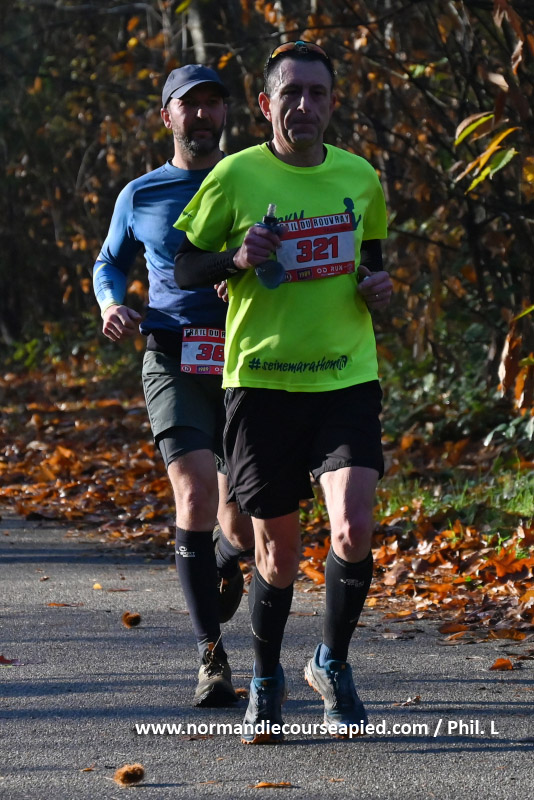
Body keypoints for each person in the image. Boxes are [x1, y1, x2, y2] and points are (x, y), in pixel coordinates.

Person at [174, 41, 393, 743]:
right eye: (291, 93)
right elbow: (184, 265)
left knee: (353, 526)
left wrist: (379, 287)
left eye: (317, 93)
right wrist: (235, 258)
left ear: (332, 103)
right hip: (262, 382)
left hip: (346, 375)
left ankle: (331, 662)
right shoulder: (236, 175)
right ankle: (266, 676)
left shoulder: (360, 177)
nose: (305, 105)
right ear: (267, 105)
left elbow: (372, 260)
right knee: (278, 555)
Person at [92, 64, 254, 709]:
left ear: (226, 114)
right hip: (172, 355)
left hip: (249, 359)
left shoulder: (251, 180)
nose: (203, 115)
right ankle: (211, 654)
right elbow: (110, 261)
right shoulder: (141, 194)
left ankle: (221, 556)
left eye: (214, 103)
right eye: (191, 105)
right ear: (168, 117)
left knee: (241, 524)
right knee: (194, 494)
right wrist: (112, 302)